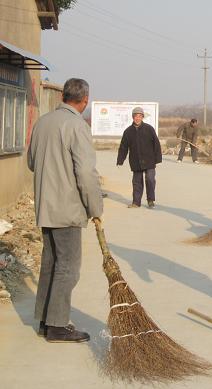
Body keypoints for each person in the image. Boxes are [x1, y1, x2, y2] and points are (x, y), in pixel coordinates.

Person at [27, 78, 103, 343]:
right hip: (67, 208)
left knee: (50, 264)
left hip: (46, 206)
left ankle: (45, 321)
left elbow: (32, 163)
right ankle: (58, 326)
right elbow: (85, 172)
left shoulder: (42, 123)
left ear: (63, 97)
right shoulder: (77, 126)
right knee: (68, 267)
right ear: (84, 100)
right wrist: (95, 207)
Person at [117, 107, 162, 208]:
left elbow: (156, 143)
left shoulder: (149, 129)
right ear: (133, 117)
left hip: (149, 159)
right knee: (137, 182)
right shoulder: (128, 131)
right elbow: (123, 147)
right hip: (135, 160)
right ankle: (136, 202)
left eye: (139, 116)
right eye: (136, 116)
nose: (137, 118)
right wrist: (120, 160)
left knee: (150, 179)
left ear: (142, 117)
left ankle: (150, 200)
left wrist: (158, 158)